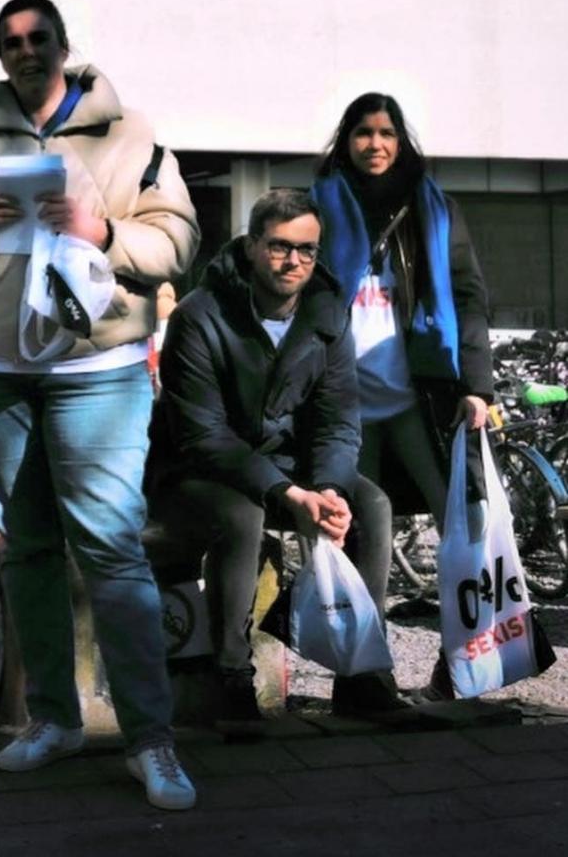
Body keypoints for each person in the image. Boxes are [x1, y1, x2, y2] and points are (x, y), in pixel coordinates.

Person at [0, 0, 200, 811]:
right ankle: (53, 719)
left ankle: (153, 740)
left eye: (39, 38)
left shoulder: (131, 132)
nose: (26, 51)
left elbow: (179, 239)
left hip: (96, 364)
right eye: (11, 42)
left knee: (111, 548)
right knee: (29, 546)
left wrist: (101, 231)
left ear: (64, 47)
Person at [149, 188, 402, 717]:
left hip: (290, 467)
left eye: (307, 250)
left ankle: (362, 674)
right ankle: (231, 675)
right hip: (195, 469)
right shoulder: (200, 315)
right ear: (250, 246)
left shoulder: (327, 313)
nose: (294, 261)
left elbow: (337, 419)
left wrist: (328, 488)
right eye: (280, 247)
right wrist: (288, 493)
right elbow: (203, 435)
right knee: (243, 517)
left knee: (371, 506)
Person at [312, 91, 493, 698]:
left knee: (460, 528)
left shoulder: (432, 210)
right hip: (347, 405)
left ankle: (462, 663)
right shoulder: (322, 206)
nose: (375, 144)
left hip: (419, 400)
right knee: (361, 533)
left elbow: (466, 299)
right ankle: (365, 678)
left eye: (386, 132)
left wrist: (477, 386)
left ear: (401, 140)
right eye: (363, 132)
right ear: (347, 140)